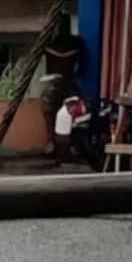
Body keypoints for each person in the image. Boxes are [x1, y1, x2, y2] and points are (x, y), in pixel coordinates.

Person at [40, 11, 84, 156]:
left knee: (71, 111)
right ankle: (54, 143)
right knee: (50, 108)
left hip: (64, 83)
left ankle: (60, 143)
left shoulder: (52, 43)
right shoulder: (74, 43)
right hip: (62, 83)